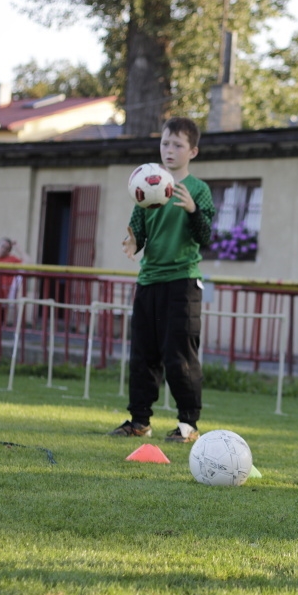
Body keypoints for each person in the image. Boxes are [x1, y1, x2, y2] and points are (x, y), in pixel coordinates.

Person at [109, 117, 216, 443]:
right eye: (165, 143)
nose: (170, 150)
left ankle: (188, 425)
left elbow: (206, 236)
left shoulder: (198, 190)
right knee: (143, 355)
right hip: (149, 282)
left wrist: (193, 211)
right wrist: (132, 242)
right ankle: (139, 421)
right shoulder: (145, 183)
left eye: (178, 145)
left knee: (178, 356)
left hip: (182, 283)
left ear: (192, 151)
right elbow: (137, 231)